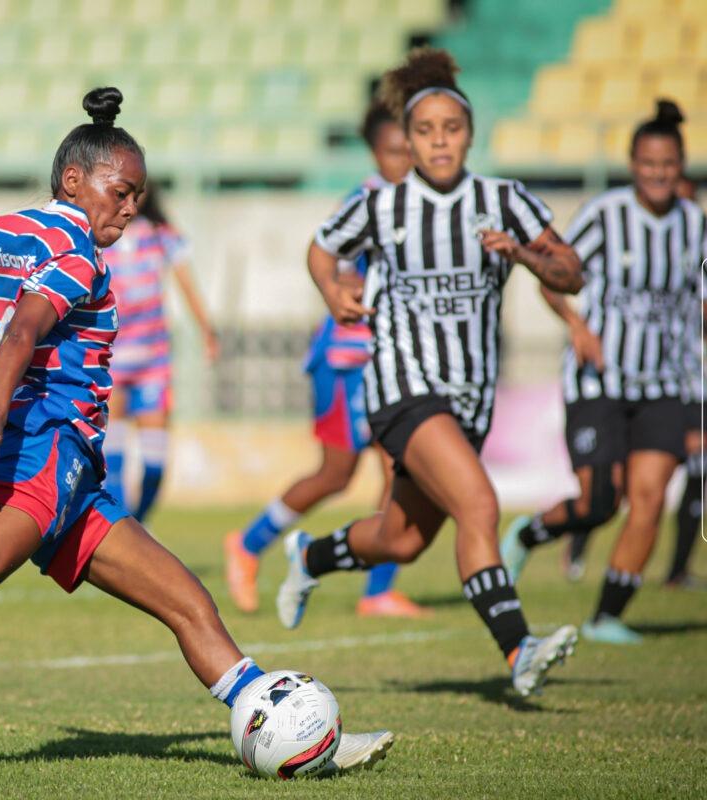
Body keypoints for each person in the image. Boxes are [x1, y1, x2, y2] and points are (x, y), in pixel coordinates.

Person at [0, 87, 392, 771]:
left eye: (138, 197)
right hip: (45, 438)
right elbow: (27, 328)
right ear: (75, 179)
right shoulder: (79, 257)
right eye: (121, 192)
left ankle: (304, 736)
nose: (130, 208)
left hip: (70, 457)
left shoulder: (18, 230)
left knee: (186, 601)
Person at [273, 49, 583, 697]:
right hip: (402, 389)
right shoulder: (382, 207)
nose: (439, 141)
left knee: (401, 539)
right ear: (408, 140)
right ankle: (518, 648)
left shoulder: (504, 200)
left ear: (469, 134)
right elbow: (320, 249)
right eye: (425, 131)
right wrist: (333, 294)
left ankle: (309, 556)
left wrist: (523, 254)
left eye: (452, 129)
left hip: (470, 400)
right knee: (479, 503)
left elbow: (572, 272)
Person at [500, 100, 707, 643]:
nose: (658, 173)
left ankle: (607, 616)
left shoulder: (698, 224)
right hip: (600, 379)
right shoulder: (604, 215)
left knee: (650, 495)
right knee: (599, 502)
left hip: (668, 384)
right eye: (649, 164)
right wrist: (577, 327)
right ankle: (529, 534)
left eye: (668, 165)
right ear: (633, 163)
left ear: (681, 166)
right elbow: (552, 275)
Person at [224, 101, 428, 619]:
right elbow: (332, 263)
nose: (403, 160)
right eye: (393, 152)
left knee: (397, 468)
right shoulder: (363, 201)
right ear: (376, 153)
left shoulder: (416, 202)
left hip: (385, 358)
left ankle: (378, 590)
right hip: (344, 361)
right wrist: (346, 284)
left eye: (409, 151)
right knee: (335, 474)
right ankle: (248, 545)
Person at [100, 184, 219, 523]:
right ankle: (123, 528)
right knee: (114, 461)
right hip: (111, 359)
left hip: (153, 361)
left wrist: (207, 331)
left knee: (155, 463)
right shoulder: (99, 237)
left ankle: (137, 523)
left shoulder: (163, 236)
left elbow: (187, 285)